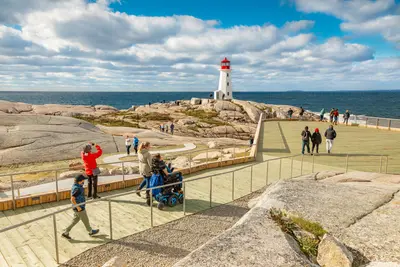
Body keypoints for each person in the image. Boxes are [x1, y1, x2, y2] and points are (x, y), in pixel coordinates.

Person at [62, 175, 99, 240]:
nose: (84, 181)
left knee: (75, 221)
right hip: (79, 208)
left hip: (76, 207)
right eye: (83, 180)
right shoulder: (77, 189)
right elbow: (72, 199)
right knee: (86, 220)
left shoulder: (76, 186)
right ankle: (90, 231)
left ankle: (65, 232)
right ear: (80, 181)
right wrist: (78, 207)